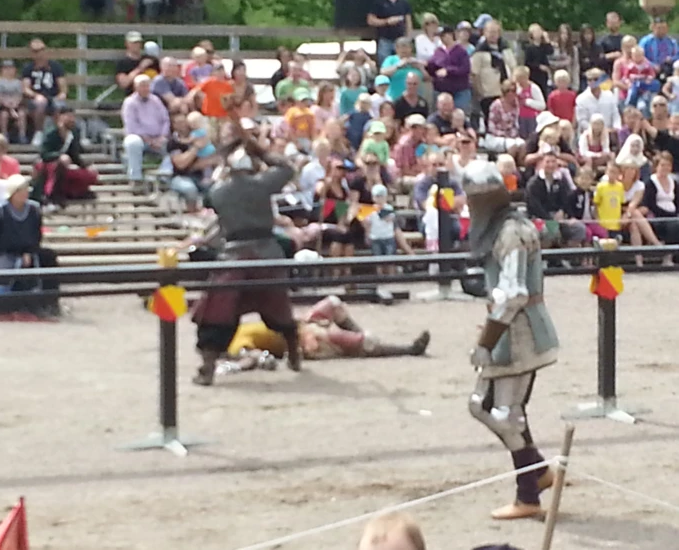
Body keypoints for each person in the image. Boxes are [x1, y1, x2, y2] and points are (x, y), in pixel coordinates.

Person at [462, 159, 558, 520]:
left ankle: (528, 493)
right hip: (512, 330)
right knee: (498, 410)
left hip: (519, 332)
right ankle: (537, 473)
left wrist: (487, 339)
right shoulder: (506, 227)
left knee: (497, 411)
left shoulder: (511, 232)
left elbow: (513, 293)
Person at [190, 120, 301, 386]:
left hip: (234, 258)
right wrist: (261, 151)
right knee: (279, 311)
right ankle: (293, 349)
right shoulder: (262, 184)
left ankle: (207, 368)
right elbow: (287, 168)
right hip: (266, 254)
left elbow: (212, 203)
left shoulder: (218, 191)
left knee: (217, 315)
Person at [220, 296, 430, 377]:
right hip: (303, 343)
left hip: (301, 328)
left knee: (333, 303)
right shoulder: (235, 343)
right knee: (332, 336)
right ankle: (407, 349)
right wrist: (256, 361)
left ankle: (359, 338)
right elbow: (250, 356)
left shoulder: (242, 327)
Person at [0, 174, 60, 316]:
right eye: (21, 190)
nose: (25, 193)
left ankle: (48, 302)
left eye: (26, 190)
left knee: (48, 257)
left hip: (27, 251)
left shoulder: (33, 210)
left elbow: (36, 235)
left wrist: (29, 251)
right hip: (4, 252)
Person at [35, 106, 98, 208]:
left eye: (73, 116)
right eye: (68, 116)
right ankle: (52, 196)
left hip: (67, 165)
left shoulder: (74, 133)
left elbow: (75, 155)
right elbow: (44, 154)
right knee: (58, 170)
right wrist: (59, 157)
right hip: (50, 164)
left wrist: (86, 166)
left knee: (89, 175)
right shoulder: (51, 133)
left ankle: (76, 193)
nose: (71, 119)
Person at [526, 152, 587, 248]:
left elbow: (566, 200)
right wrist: (550, 220)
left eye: (553, 161)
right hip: (537, 219)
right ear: (542, 163)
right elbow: (534, 206)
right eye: (547, 162)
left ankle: (567, 257)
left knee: (579, 228)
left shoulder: (561, 181)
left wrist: (563, 212)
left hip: (558, 218)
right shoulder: (533, 183)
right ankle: (547, 259)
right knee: (550, 230)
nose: (550, 165)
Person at [121, 75, 171, 184]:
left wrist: (162, 137)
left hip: (158, 138)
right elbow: (131, 125)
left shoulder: (156, 100)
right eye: (142, 86)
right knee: (133, 142)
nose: (145, 88)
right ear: (136, 87)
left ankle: (164, 176)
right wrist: (148, 139)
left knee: (174, 145)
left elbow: (165, 120)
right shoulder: (129, 102)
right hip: (139, 138)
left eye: (147, 86)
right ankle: (135, 178)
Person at [471, 20, 518, 128]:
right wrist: (479, 91)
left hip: (506, 91)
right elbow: (474, 73)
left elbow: (513, 67)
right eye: (490, 32)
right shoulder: (480, 51)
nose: (493, 35)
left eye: (495, 32)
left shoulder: (505, 49)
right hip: (488, 92)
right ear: (484, 32)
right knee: (491, 120)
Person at [22, 38, 67, 147]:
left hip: (53, 96)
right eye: (35, 51)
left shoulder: (56, 67)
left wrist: (61, 95)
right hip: (35, 99)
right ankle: (39, 132)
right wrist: (36, 95)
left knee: (59, 105)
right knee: (40, 103)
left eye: (41, 50)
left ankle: (61, 136)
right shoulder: (28, 68)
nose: (39, 53)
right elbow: (25, 88)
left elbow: (63, 88)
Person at [427, 25, 472, 113]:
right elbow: (432, 67)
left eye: (443, 35)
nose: (442, 38)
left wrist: (448, 71)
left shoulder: (461, 51)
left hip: (459, 91)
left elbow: (465, 69)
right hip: (441, 90)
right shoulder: (438, 51)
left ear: (451, 35)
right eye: (440, 36)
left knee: (459, 115)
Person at [482, 80, 526, 164]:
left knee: (522, 144)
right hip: (495, 136)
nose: (511, 93)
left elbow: (515, 124)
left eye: (514, 91)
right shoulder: (496, 105)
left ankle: (520, 167)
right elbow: (491, 126)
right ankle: (507, 167)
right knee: (512, 145)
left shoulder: (516, 104)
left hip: (512, 135)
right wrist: (504, 135)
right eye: (508, 91)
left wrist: (514, 135)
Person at [641, 151, 679, 247]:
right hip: (657, 217)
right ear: (656, 166)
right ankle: (668, 255)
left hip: (673, 216)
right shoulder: (650, 183)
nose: (665, 168)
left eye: (668, 165)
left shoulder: (674, 182)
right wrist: (669, 215)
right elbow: (650, 204)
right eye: (662, 165)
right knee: (673, 226)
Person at [367, 0, 413, 67]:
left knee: (403, 63)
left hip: (401, 40)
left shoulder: (404, 2)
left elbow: (408, 22)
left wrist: (408, 38)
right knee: (384, 64)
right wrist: (387, 21)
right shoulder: (379, 2)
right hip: (385, 40)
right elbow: (370, 20)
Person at [575, 68, 621, 135]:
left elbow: (615, 115)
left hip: (610, 133)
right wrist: (597, 130)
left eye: (595, 79)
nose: (592, 82)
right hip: (590, 135)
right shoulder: (581, 99)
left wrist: (616, 128)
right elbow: (582, 121)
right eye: (589, 80)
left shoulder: (609, 95)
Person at [380, 37, 427, 102]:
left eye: (407, 47)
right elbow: (383, 72)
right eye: (401, 47)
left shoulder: (415, 61)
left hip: (416, 100)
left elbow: (427, 78)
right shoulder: (391, 59)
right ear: (396, 49)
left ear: (411, 48)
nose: (404, 50)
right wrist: (397, 66)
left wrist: (420, 68)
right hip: (395, 98)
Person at [115, 31, 158, 95]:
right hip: (134, 96)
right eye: (133, 43)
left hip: (153, 95)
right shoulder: (122, 63)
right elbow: (124, 84)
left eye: (138, 42)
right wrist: (140, 68)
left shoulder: (151, 60)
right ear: (127, 44)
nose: (136, 45)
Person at [639, 16, 679, 82]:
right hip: (650, 68)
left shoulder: (671, 41)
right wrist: (652, 65)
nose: (662, 30)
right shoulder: (646, 41)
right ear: (653, 28)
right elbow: (640, 57)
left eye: (664, 28)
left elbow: (677, 55)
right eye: (659, 28)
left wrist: (671, 58)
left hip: (669, 68)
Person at [0, 60, 27, 144]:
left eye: (10, 68)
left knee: (22, 114)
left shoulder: (18, 82)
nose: (8, 71)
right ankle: (4, 135)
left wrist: (15, 104)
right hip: (4, 105)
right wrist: (7, 105)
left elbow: (20, 95)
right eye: (5, 68)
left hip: (16, 105)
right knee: (4, 115)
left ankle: (22, 135)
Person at [593, 161, 625, 238]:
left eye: (615, 172)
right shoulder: (601, 186)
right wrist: (597, 219)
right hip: (603, 223)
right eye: (610, 171)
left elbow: (621, 203)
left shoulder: (620, 186)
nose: (612, 174)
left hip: (615, 224)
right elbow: (596, 203)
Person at [514, 66, 545, 139]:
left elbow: (542, 105)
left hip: (532, 118)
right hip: (520, 118)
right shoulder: (517, 88)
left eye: (521, 79)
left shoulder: (534, 88)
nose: (520, 82)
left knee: (532, 137)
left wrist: (528, 102)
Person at [523, 23, 553, 97]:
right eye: (536, 31)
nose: (539, 33)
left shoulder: (544, 47)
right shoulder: (529, 48)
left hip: (544, 76)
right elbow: (527, 62)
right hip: (534, 75)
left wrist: (547, 39)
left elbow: (550, 51)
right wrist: (539, 66)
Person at [549, 24, 580, 92]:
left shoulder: (573, 49)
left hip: (568, 82)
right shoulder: (553, 47)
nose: (565, 36)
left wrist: (575, 85)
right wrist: (564, 61)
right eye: (563, 33)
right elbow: (551, 63)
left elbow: (575, 67)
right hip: (554, 82)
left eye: (567, 34)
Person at [578, 24, 606, 91]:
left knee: (609, 88)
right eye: (586, 34)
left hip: (599, 75)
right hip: (585, 77)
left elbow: (603, 62)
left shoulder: (598, 47)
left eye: (590, 33)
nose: (588, 36)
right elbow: (580, 66)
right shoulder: (579, 48)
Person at [599, 11, 624, 76]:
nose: (613, 25)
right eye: (611, 23)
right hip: (607, 74)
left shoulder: (624, 40)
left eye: (615, 23)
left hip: (623, 73)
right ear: (607, 23)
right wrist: (612, 55)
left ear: (619, 23)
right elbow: (599, 57)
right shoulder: (603, 41)